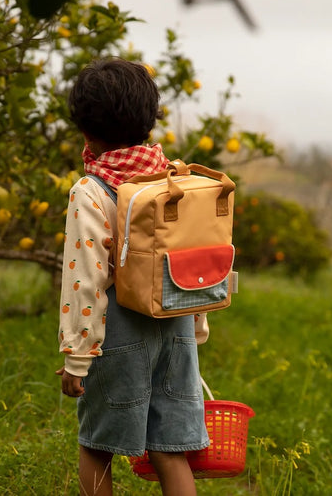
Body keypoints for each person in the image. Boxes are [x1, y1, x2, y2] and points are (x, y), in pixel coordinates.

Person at [56, 58, 210, 496]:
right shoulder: (175, 180)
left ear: (85, 131)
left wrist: (77, 356)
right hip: (176, 328)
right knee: (170, 449)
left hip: (118, 337)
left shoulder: (92, 191)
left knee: (96, 446)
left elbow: (84, 279)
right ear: (149, 121)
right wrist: (196, 328)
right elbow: (191, 260)